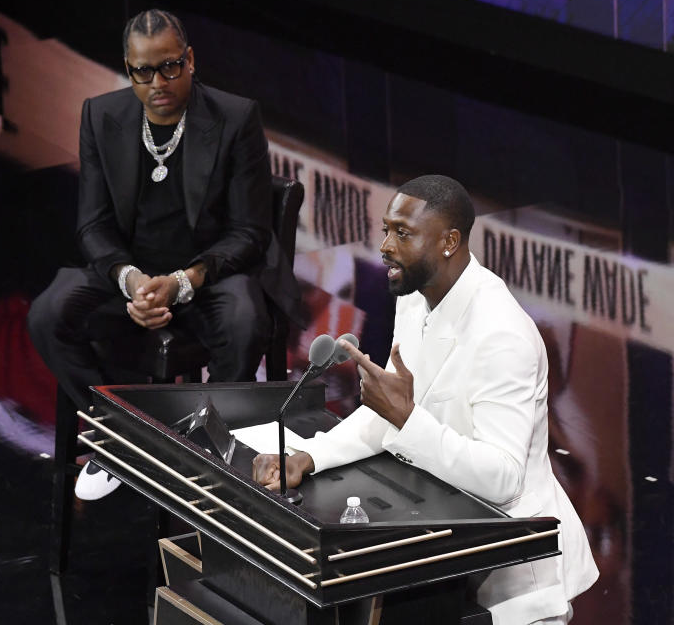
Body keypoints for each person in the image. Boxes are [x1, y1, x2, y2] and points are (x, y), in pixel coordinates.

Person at [253, 175, 598, 624]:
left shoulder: (502, 335)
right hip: (444, 536)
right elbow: (389, 413)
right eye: (385, 229)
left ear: (450, 241)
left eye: (403, 233)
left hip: (512, 570)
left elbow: (503, 478)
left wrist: (407, 418)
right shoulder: (416, 298)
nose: (385, 245)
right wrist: (309, 455)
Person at [28, 9, 297, 498]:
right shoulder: (100, 115)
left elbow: (248, 232)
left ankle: (209, 446)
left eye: (170, 66)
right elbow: (92, 225)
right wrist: (130, 280)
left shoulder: (235, 118)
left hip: (209, 272)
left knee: (244, 318)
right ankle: (127, 436)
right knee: (49, 312)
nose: (158, 82)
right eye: (143, 71)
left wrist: (182, 282)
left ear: (190, 60)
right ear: (128, 69)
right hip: (131, 272)